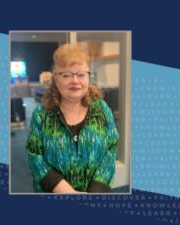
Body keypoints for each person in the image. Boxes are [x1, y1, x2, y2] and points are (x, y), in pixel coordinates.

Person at [26, 43, 119, 193]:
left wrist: (97, 189)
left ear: (88, 77)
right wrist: (65, 190)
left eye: (81, 74)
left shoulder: (102, 109)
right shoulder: (41, 114)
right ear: (56, 79)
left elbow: (111, 148)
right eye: (67, 75)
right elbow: (35, 156)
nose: (75, 81)